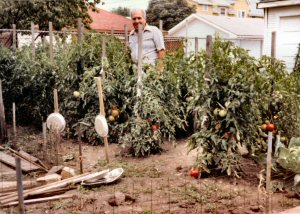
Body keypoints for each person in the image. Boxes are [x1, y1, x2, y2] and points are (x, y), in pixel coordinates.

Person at [129, 8, 165, 74]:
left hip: (151, 71)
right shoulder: (131, 34)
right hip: (136, 72)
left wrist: (159, 72)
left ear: (145, 19)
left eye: (139, 18)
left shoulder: (154, 31)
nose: (136, 21)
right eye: (134, 19)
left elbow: (161, 51)